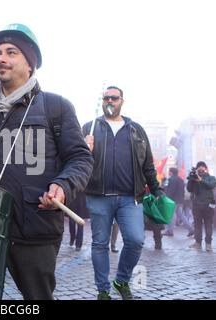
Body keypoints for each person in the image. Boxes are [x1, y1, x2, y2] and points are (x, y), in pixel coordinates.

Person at [0, 23, 93, 300]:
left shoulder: (56, 107)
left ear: (30, 64)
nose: (1, 59)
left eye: (11, 52)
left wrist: (63, 186)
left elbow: (80, 157)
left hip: (34, 224)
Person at [83, 86, 163, 300]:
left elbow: (147, 164)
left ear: (122, 101)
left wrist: (156, 189)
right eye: (106, 98)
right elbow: (76, 161)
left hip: (131, 198)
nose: (110, 101)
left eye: (114, 98)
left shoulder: (136, 129)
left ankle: (122, 280)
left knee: (136, 240)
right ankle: (103, 290)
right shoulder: (89, 128)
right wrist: (84, 148)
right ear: (102, 101)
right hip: (98, 195)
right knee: (100, 244)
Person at [186, 161, 216, 252]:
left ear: (206, 168)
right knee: (197, 224)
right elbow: (189, 189)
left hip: (208, 205)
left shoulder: (211, 178)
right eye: (199, 167)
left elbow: (210, 185)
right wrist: (191, 179)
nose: (201, 168)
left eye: (203, 167)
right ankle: (198, 243)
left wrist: (200, 179)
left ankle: (208, 244)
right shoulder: (194, 178)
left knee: (208, 224)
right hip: (197, 204)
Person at [164, 167, 194, 237]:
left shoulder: (170, 179)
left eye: (169, 171)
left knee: (171, 215)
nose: (168, 172)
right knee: (181, 215)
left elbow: (170, 191)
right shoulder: (181, 180)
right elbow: (183, 191)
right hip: (180, 200)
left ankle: (169, 231)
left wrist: (167, 198)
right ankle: (191, 229)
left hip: (172, 200)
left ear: (171, 172)